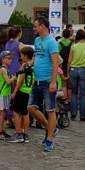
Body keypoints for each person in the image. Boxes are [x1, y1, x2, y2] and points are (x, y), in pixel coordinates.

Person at [27, 18, 59, 152]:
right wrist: (30, 63)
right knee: (30, 108)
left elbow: (55, 63)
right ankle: (50, 127)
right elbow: (37, 56)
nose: (34, 29)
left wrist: (53, 81)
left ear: (42, 26)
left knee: (50, 110)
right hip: (37, 80)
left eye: (35, 26)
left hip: (47, 81)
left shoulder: (51, 42)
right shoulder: (37, 40)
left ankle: (50, 139)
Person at [7, 46, 34, 144]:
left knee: (16, 112)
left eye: (22, 55)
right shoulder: (32, 65)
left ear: (26, 56)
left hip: (21, 91)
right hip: (27, 91)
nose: (20, 57)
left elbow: (21, 79)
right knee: (25, 113)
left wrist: (14, 91)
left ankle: (18, 133)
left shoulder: (25, 66)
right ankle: (26, 134)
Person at [67, 28, 85, 121]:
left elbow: (69, 60)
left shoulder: (74, 46)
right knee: (83, 94)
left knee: (73, 93)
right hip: (83, 70)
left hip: (73, 69)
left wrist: (67, 71)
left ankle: (73, 113)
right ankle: (82, 115)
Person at [0, 51, 15, 140]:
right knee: (3, 113)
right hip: (4, 93)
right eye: (8, 58)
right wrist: (13, 78)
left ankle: (1, 130)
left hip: (6, 93)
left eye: (11, 58)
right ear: (3, 59)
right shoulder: (3, 69)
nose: (10, 60)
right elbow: (7, 81)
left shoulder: (6, 69)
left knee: (4, 112)